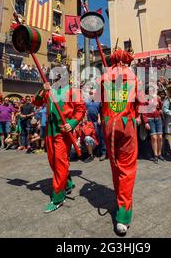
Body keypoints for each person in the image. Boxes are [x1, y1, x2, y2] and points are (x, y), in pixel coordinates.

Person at [99, 49, 142, 235]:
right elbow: (140, 102)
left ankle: (120, 199)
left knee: (115, 167)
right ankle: (123, 215)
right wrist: (137, 114)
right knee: (127, 168)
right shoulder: (133, 76)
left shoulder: (104, 77)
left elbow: (102, 101)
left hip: (109, 126)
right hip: (126, 125)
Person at [33, 79, 86, 213]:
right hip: (50, 132)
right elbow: (37, 102)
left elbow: (81, 109)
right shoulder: (50, 90)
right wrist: (43, 91)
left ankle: (58, 197)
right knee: (52, 162)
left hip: (62, 133)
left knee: (60, 163)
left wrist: (72, 123)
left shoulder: (73, 91)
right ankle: (67, 183)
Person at [142, 90, 164, 163]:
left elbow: (161, 107)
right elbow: (144, 112)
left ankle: (159, 153)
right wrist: (146, 122)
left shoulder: (157, 98)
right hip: (150, 119)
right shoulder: (145, 99)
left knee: (160, 137)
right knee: (154, 137)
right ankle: (155, 155)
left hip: (158, 119)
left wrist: (160, 110)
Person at [85, 89, 106, 161]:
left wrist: (99, 119)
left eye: (93, 93)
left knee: (100, 137)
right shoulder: (87, 102)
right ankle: (92, 153)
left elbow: (100, 111)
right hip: (90, 123)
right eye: (90, 93)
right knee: (91, 136)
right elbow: (85, 111)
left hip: (97, 122)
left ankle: (103, 152)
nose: (91, 95)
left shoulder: (98, 102)